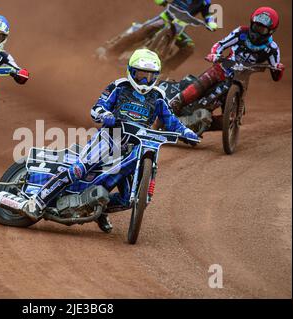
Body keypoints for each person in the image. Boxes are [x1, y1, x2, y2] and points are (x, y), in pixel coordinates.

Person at [14, 49, 198, 232]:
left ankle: (97, 209)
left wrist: (186, 131)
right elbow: (97, 108)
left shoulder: (158, 96)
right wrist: (105, 114)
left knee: (128, 199)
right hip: (110, 138)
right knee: (79, 169)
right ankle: (37, 202)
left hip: (135, 147)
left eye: (149, 77)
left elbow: (171, 121)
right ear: (131, 72)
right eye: (141, 75)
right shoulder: (119, 87)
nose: (145, 81)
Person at [170, 7, 285, 115]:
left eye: (262, 29)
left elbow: (276, 73)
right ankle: (176, 102)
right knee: (203, 82)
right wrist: (215, 54)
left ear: (270, 31)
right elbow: (221, 44)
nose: (258, 32)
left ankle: (207, 121)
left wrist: (279, 69)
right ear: (251, 24)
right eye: (256, 27)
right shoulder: (241, 33)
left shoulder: (272, 48)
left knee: (231, 115)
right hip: (224, 68)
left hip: (241, 79)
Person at [99, 0, 218, 70]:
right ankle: (111, 53)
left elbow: (208, 15)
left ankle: (165, 69)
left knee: (189, 47)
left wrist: (211, 23)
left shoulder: (205, 2)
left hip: (179, 28)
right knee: (142, 32)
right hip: (165, 19)